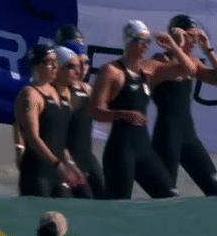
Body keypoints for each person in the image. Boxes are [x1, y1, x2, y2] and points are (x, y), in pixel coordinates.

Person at [89, 20, 196, 199]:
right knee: (118, 206)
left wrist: (174, 46)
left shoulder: (149, 68)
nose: (145, 46)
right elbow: (94, 111)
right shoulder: (111, 71)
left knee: (170, 197)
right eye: (140, 41)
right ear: (128, 41)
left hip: (145, 150)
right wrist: (122, 114)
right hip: (121, 150)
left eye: (148, 42)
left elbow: (189, 70)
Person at [150, 15, 217, 196]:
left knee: (215, 188)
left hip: (189, 136)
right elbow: (183, 68)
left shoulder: (193, 61)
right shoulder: (159, 60)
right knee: (166, 196)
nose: (195, 40)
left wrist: (208, 48)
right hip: (166, 137)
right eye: (190, 35)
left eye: (196, 36)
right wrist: (175, 45)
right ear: (175, 34)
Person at [15, 44, 85, 198]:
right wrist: (58, 164)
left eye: (56, 62)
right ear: (36, 66)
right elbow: (33, 138)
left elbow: (60, 139)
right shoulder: (31, 95)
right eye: (49, 62)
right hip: (37, 173)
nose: (55, 66)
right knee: (39, 219)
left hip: (58, 172)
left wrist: (70, 164)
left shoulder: (62, 94)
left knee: (65, 217)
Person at [58, 41, 106, 199]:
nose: (84, 67)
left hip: (87, 157)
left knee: (106, 199)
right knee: (84, 201)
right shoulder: (60, 93)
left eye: (86, 62)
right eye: (79, 63)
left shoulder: (88, 89)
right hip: (68, 159)